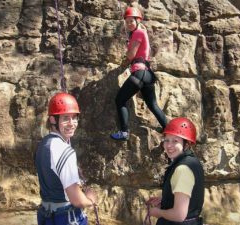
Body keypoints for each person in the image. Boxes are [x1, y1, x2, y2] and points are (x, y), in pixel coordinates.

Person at [35, 92, 97, 225]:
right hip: (65, 217)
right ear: (53, 120)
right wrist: (91, 200)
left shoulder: (42, 145)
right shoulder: (64, 150)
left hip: (46, 216)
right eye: (65, 118)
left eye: (74, 118)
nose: (72, 123)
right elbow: (77, 200)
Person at [110, 7, 167, 141]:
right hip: (147, 75)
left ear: (138, 20)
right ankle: (168, 129)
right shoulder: (141, 32)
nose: (129, 24)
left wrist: (127, 50)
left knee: (120, 100)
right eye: (127, 21)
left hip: (139, 73)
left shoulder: (138, 33)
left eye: (131, 21)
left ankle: (124, 132)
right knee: (152, 105)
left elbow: (131, 55)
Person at [146, 117, 204, 225]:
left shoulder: (182, 169)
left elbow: (179, 215)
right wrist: (165, 201)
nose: (169, 145)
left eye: (175, 141)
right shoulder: (193, 162)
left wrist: (158, 212)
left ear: (186, 145)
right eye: (166, 140)